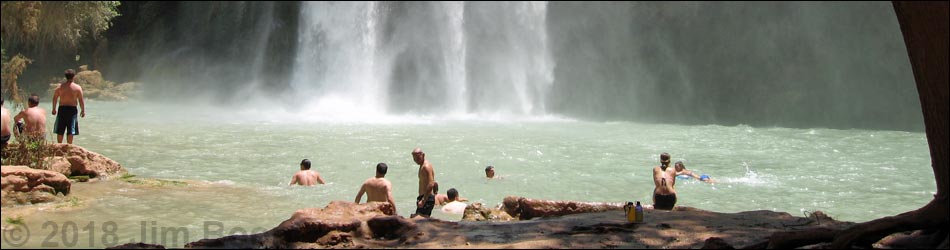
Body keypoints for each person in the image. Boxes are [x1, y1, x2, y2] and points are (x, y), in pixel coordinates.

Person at [51, 69, 86, 144]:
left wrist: (54, 109)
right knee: (71, 129)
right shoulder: (77, 88)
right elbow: (81, 100)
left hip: (62, 109)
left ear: (65, 77)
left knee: (60, 129)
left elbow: (55, 98)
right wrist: (83, 110)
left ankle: (59, 145)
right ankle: (69, 146)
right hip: (72, 110)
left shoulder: (60, 87)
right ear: (74, 77)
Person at [411, 148, 436, 218]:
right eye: (414, 159)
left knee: (418, 220)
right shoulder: (422, 166)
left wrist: (423, 200)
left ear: (423, 155)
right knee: (422, 221)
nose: (416, 160)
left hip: (426, 198)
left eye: (418, 158)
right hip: (424, 197)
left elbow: (431, 183)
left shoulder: (426, 166)